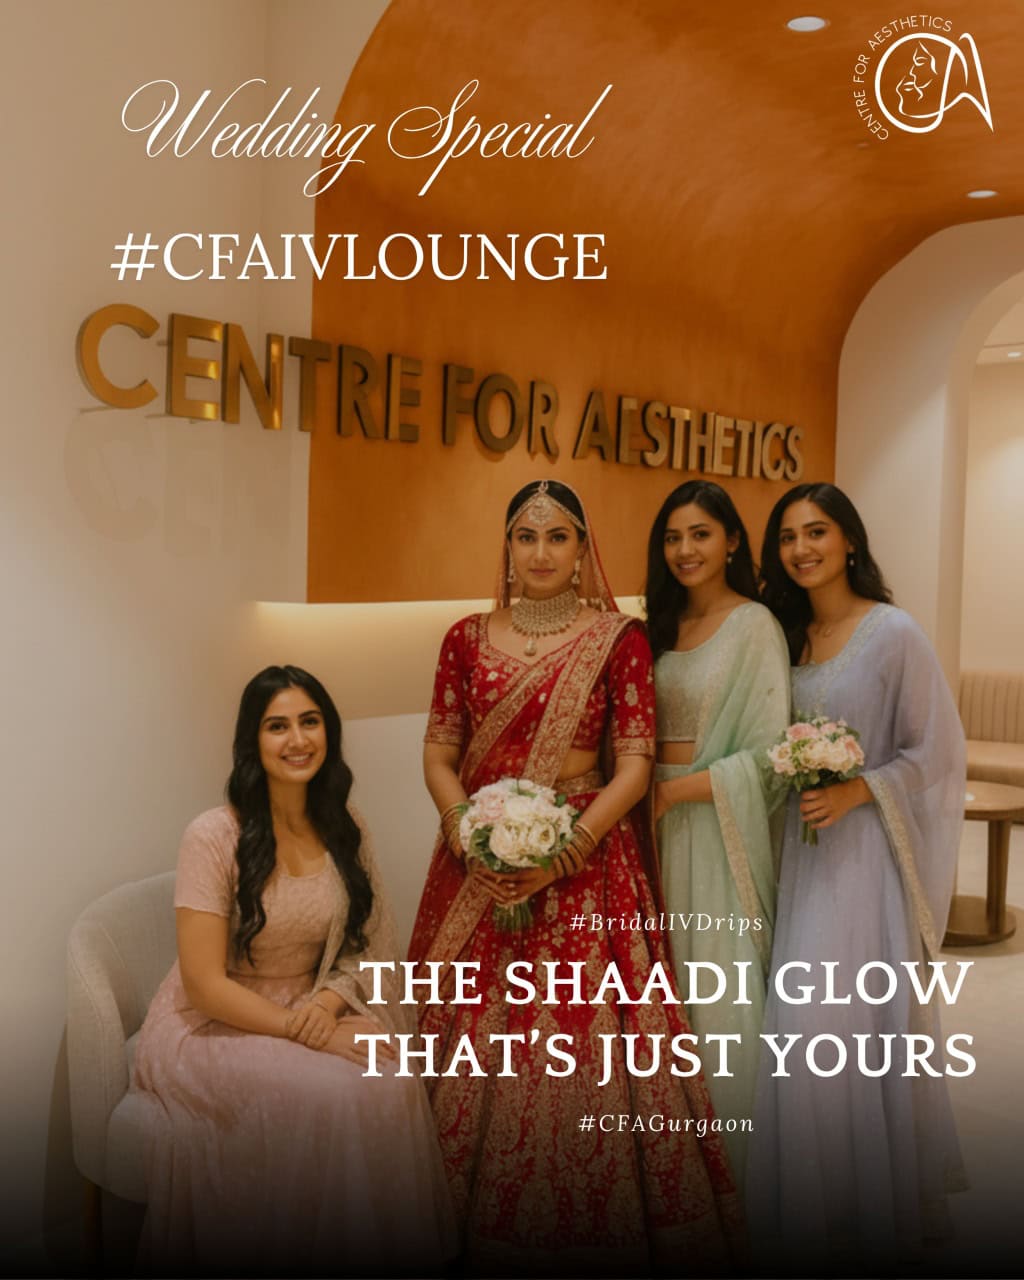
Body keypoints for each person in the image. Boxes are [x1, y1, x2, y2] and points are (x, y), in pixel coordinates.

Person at [407, 479, 741, 1276]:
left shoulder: (618, 639)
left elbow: (634, 762)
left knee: (577, 1050)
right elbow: (439, 752)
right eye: (526, 536)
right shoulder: (463, 638)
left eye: (558, 536)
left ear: (583, 548)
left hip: (586, 866)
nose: (541, 552)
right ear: (507, 547)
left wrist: (568, 848)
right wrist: (469, 834)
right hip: (477, 868)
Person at [131, 665, 454, 1276]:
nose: (297, 739)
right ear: (251, 740)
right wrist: (309, 1033)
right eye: (277, 726)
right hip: (212, 1022)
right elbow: (204, 985)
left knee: (392, 1075)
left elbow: (366, 945)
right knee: (335, 1095)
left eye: (310, 721)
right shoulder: (212, 835)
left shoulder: (345, 825)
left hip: (311, 1004)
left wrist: (326, 1007)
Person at [747, 483, 967, 1270]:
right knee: (796, 1025)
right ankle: (815, 1206)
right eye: (787, 537)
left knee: (834, 1027)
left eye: (817, 532)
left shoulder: (892, 633)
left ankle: (865, 1211)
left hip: (863, 858)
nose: (801, 549)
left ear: (849, 541)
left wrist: (856, 790)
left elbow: (936, 750)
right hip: (796, 851)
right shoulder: (783, 634)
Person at [645, 480, 790, 1181]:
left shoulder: (754, 625)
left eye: (700, 534)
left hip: (715, 833)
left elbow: (771, 756)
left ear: (732, 540)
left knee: (717, 998)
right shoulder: (658, 625)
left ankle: (736, 1179)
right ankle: (676, 1180)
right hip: (649, 832)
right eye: (673, 537)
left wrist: (675, 792)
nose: (685, 550)